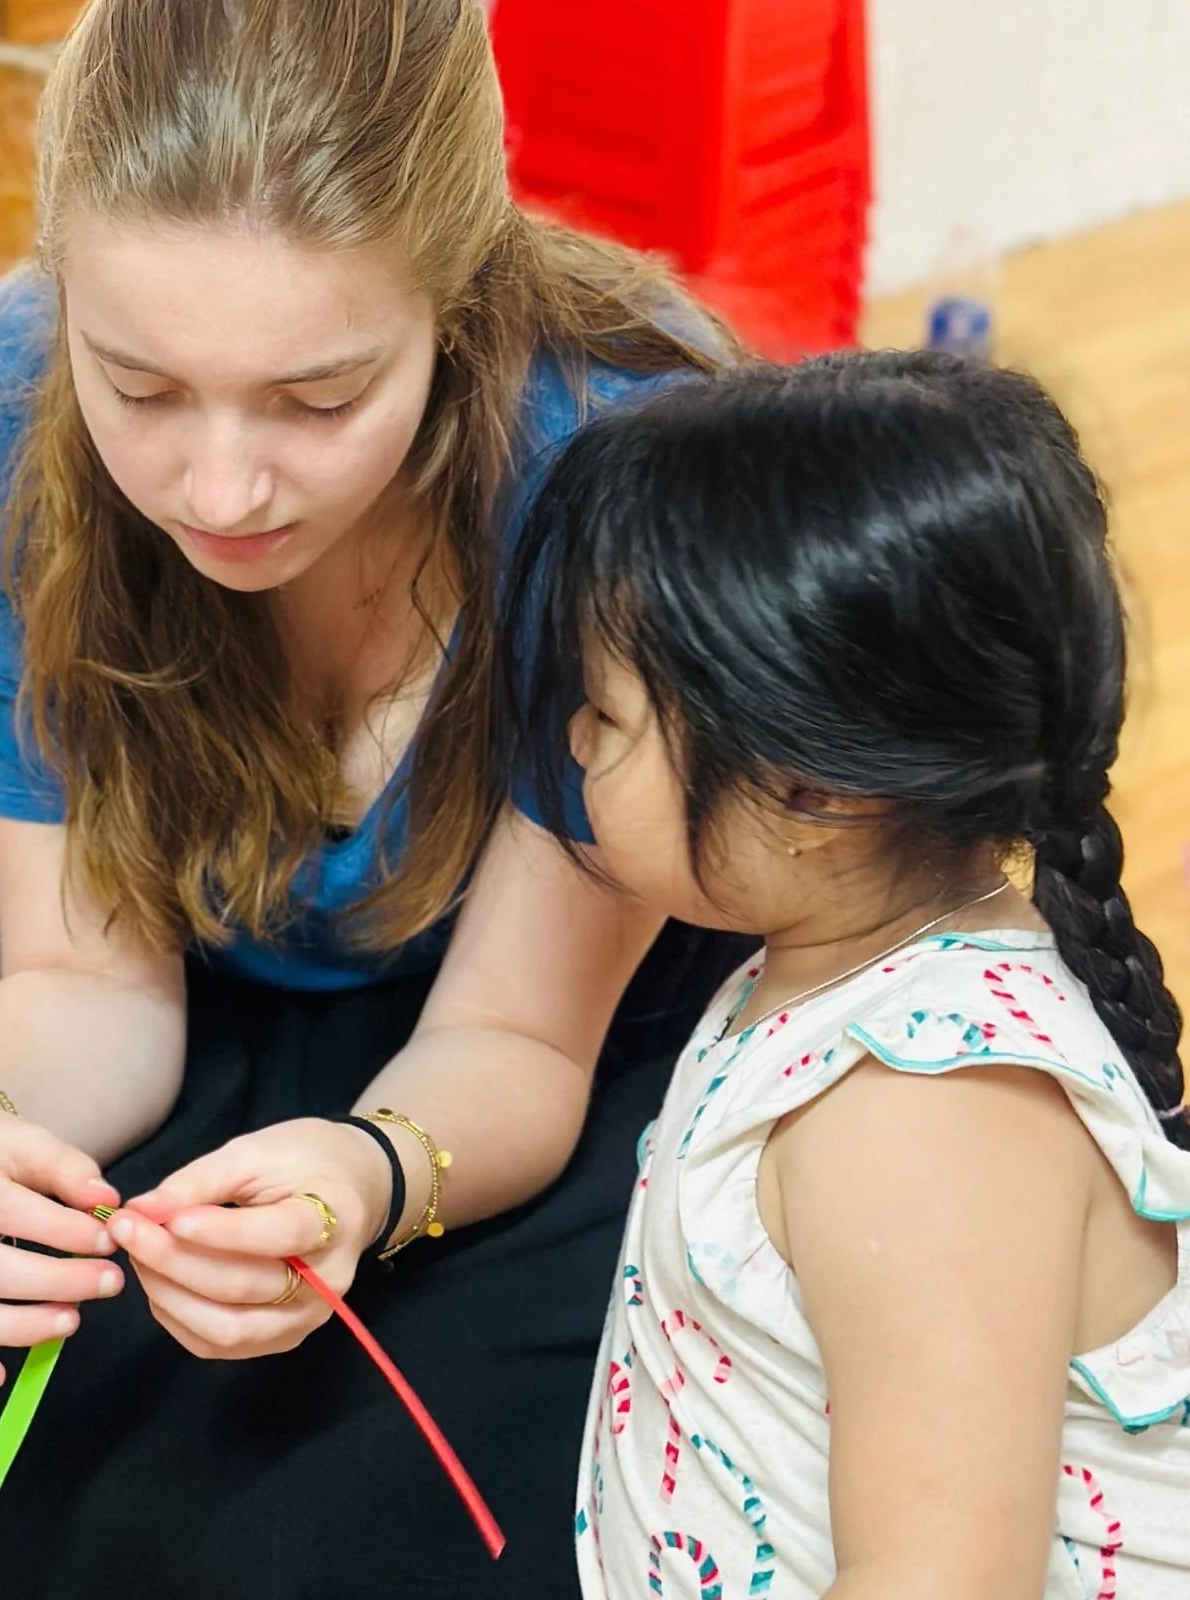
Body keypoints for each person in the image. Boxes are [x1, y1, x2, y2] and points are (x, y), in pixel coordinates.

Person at [0, 1, 752, 1592]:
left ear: (459, 293)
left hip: (536, 1050)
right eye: (136, 388)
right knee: (0, 1535)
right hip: (175, 999)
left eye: (318, 398)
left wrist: (365, 1174)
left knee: (381, 1547)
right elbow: (80, 976)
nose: (219, 490)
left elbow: (518, 1038)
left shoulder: (623, 447)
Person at [509, 350, 1190, 1597]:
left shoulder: (919, 1119)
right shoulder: (833, 958)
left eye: (605, 715)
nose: (570, 736)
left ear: (812, 787)